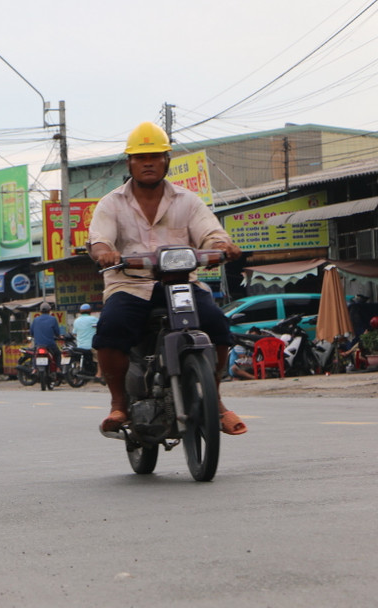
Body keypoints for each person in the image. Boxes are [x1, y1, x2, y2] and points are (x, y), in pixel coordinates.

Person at [88, 121, 247, 435]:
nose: (148, 162)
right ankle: (118, 403)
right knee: (110, 328)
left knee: (216, 322)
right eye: (141, 157)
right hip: (130, 286)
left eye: (156, 156)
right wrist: (104, 251)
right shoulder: (111, 204)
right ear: (129, 162)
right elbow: (100, 240)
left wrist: (221, 247)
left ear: (166, 161)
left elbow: (211, 233)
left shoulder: (187, 201)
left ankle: (215, 401)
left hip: (180, 285)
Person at [29, 302, 62, 376]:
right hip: (50, 345)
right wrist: (59, 336)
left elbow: (31, 333)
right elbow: (57, 332)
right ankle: (58, 368)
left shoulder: (35, 320)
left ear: (40, 311)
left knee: (35, 354)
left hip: (39, 345)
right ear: (49, 310)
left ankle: (34, 368)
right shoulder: (53, 319)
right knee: (58, 354)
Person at [72, 303, 101, 381]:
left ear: (80, 311)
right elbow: (100, 329)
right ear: (90, 311)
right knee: (99, 358)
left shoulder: (76, 321)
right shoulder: (94, 319)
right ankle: (98, 375)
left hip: (80, 346)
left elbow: (74, 333)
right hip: (92, 346)